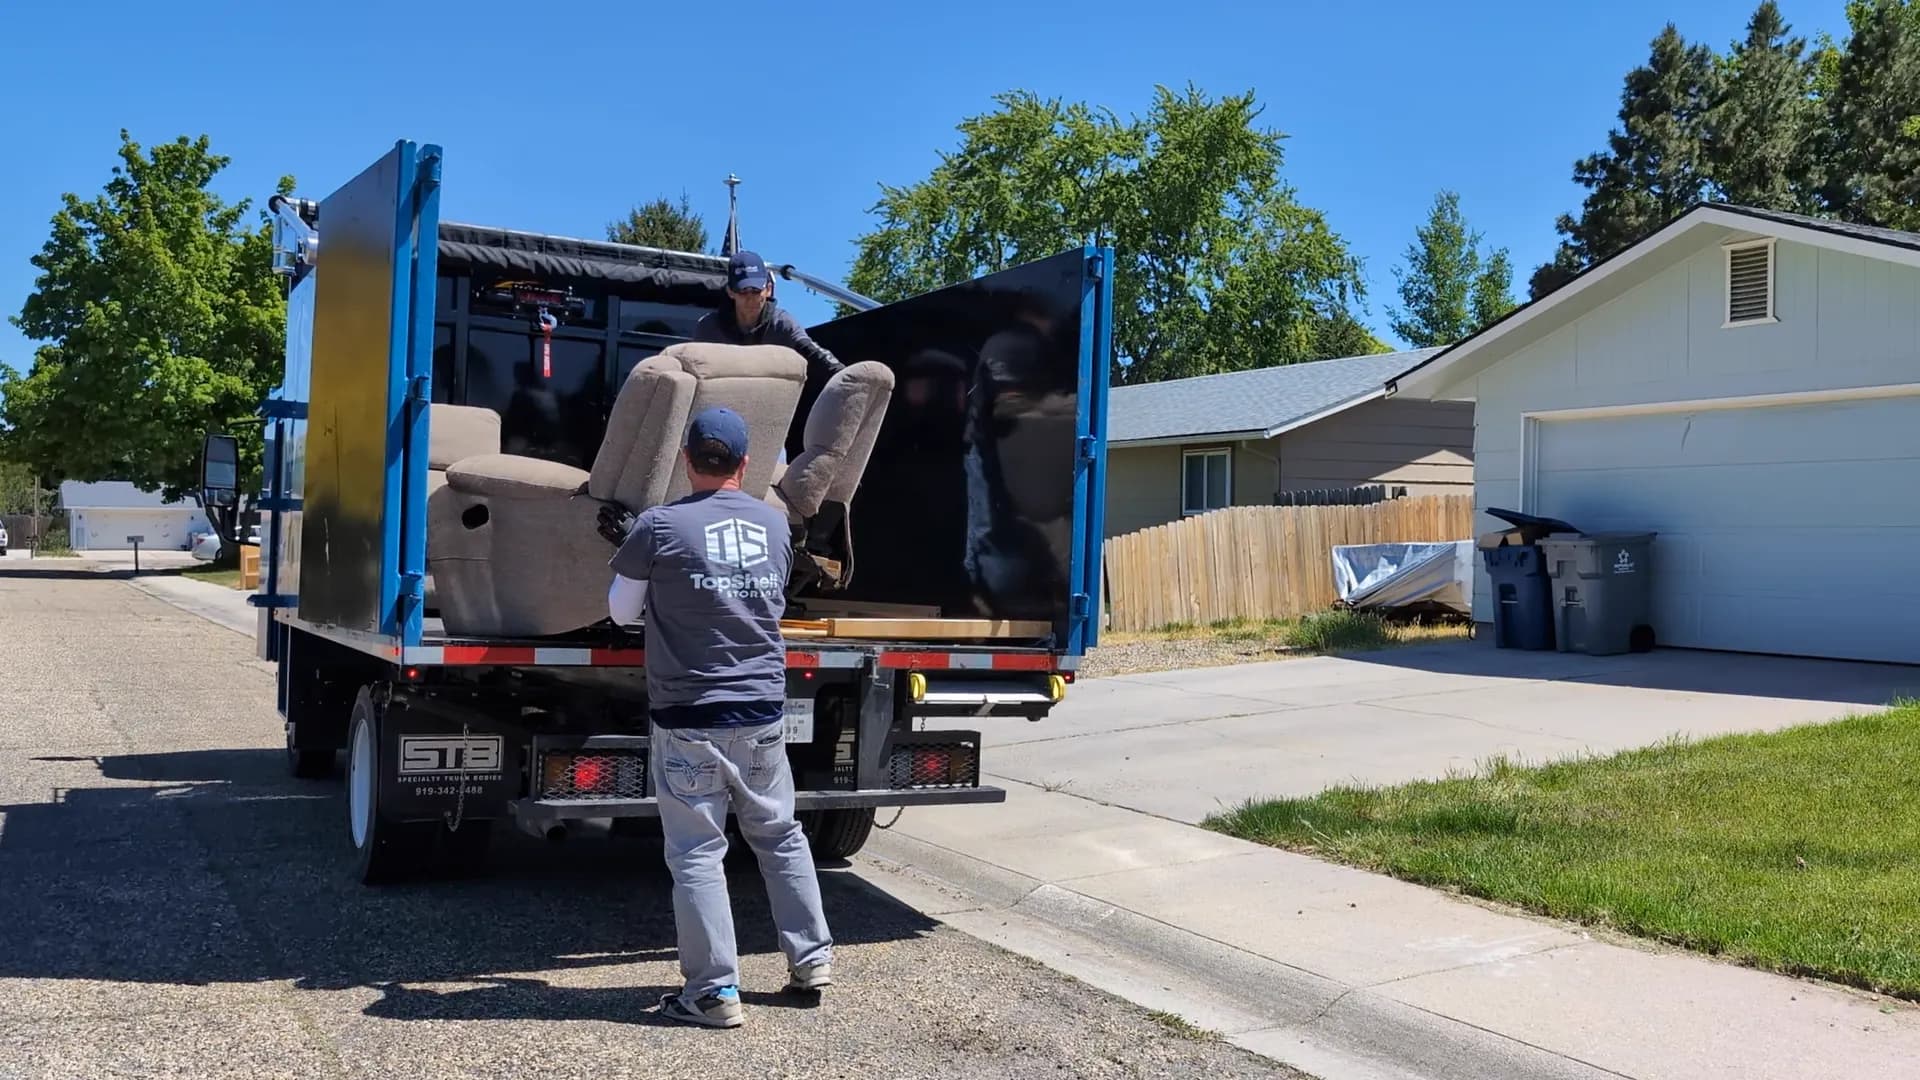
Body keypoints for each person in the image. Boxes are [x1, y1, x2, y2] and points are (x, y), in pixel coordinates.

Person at [606, 406, 834, 1029]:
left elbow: (623, 612)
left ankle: (713, 994)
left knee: (699, 851)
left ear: (686, 460)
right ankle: (811, 960)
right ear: (743, 464)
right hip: (761, 707)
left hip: (688, 712)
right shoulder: (776, 524)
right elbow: (765, 593)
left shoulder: (659, 526)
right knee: (780, 833)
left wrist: (646, 559)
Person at [694, 250, 845, 386]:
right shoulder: (708, 328)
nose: (750, 298)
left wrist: (847, 377)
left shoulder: (782, 324)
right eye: (743, 291)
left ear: (768, 290)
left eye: (756, 290)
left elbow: (815, 354)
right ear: (730, 292)